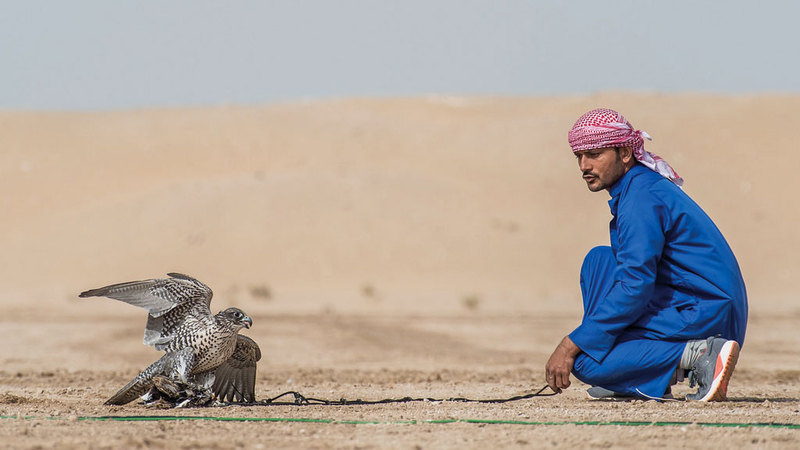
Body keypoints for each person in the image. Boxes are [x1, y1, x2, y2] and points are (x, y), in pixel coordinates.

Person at [544, 108, 748, 401]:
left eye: (595, 154)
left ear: (625, 152)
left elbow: (635, 285)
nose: (583, 165)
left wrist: (570, 344)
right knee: (599, 262)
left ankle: (701, 354)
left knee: (587, 360)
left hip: (705, 312)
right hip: (688, 301)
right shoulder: (637, 188)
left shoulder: (641, 198)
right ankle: (639, 373)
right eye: (579, 156)